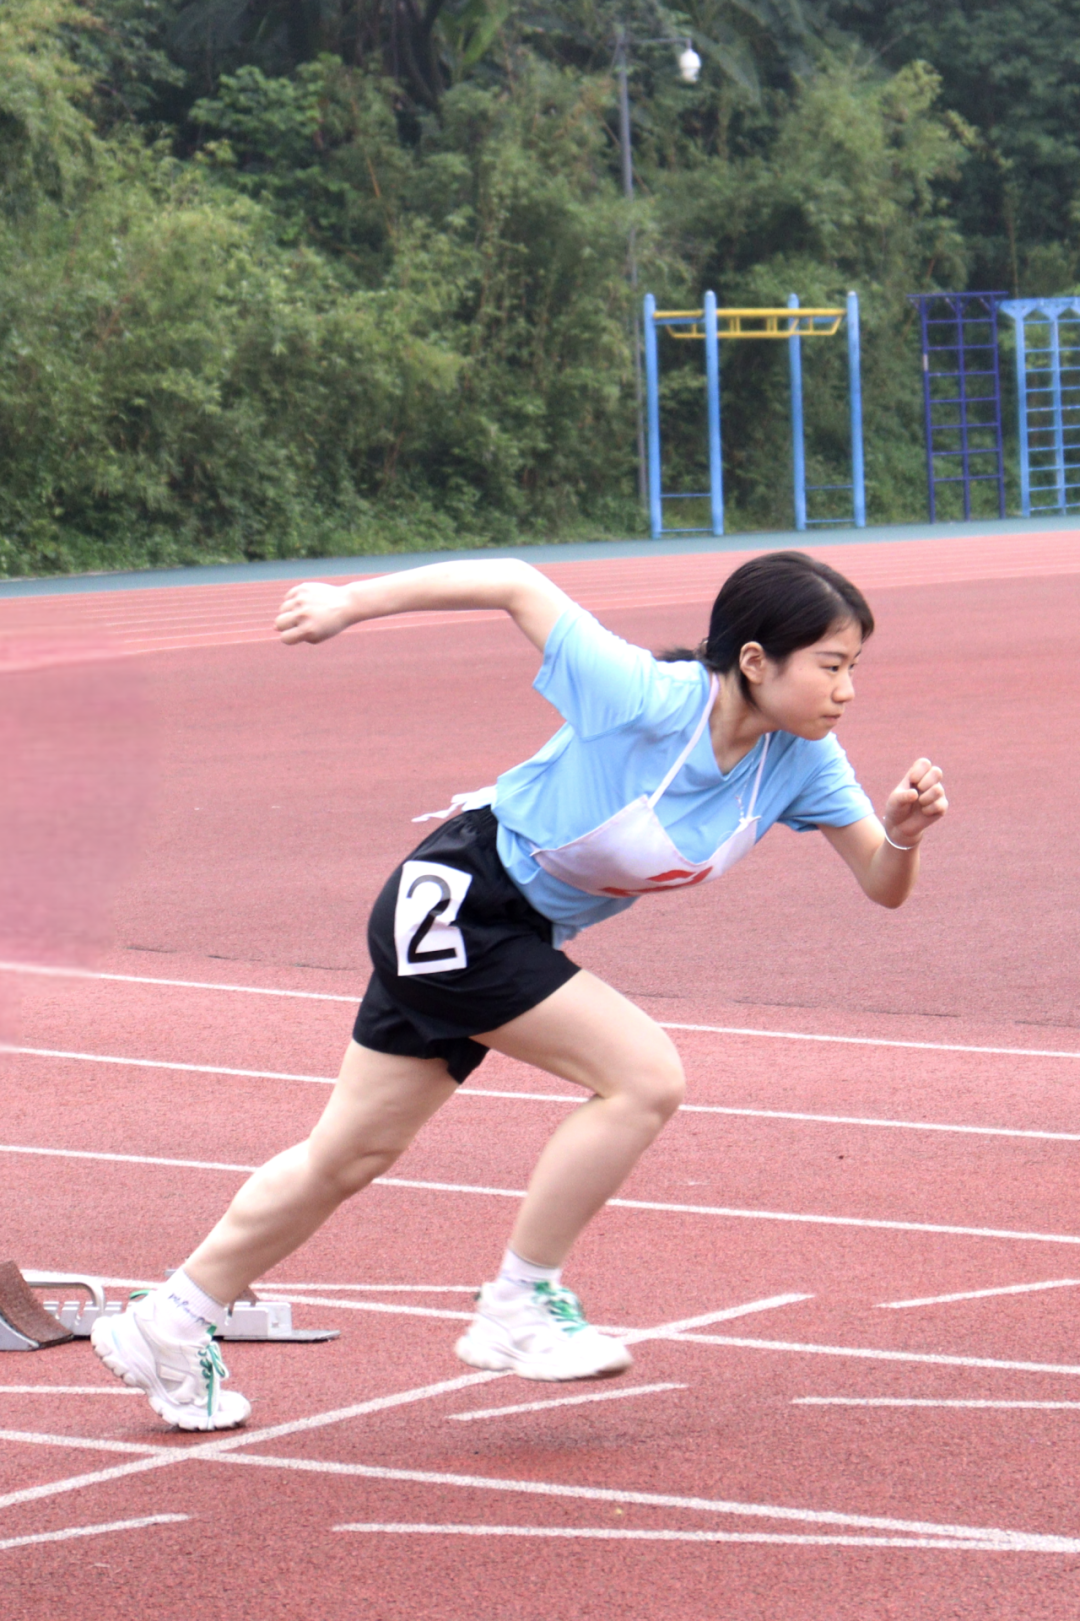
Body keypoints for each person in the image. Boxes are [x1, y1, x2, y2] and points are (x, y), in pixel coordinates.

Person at [92, 550, 947, 1429]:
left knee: (347, 1155)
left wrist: (904, 836)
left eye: (854, 667)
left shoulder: (803, 761)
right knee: (644, 1076)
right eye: (831, 666)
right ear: (757, 661)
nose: (847, 691)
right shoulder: (648, 698)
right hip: (460, 899)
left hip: (506, 932)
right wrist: (350, 601)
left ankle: (172, 1318)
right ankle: (519, 1301)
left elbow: (881, 882)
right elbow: (512, 581)